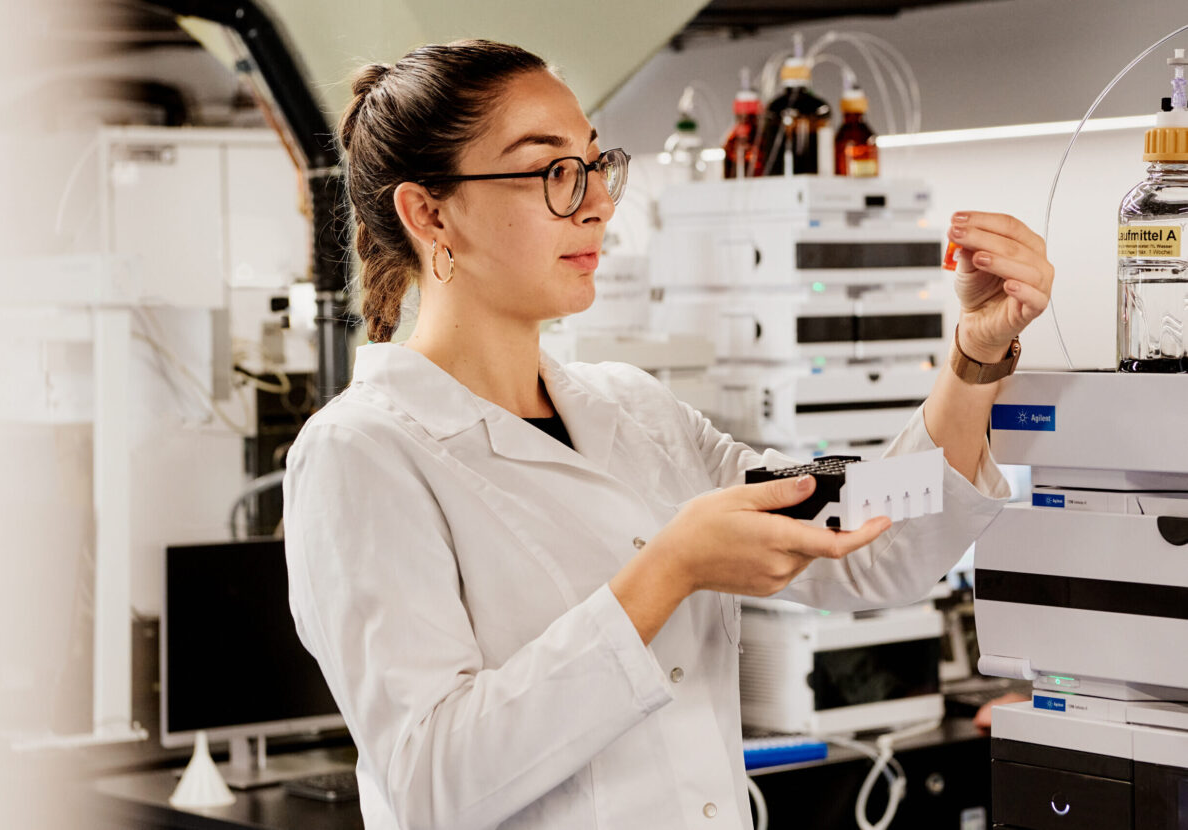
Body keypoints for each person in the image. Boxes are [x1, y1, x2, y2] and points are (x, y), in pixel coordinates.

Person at [282, 39, 1055, 830]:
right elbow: (430, 781)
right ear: (429, 213)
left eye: (594, 163)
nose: (596, 203)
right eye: (550, 170)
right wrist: (669, 571)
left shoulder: (632, 409)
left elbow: (868, 545)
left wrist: (973, 358)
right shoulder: (363, 451)